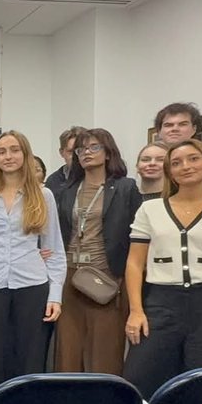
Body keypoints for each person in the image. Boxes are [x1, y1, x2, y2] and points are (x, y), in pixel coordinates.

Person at [124, 140, 202, 397]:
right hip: (161, 301)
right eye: (176, 162)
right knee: (139, 377)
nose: (185, 166)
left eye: (193, 159)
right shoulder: (150, 209)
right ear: (169, 172)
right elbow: (135, 263)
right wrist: (136, 311)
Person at [0, 131, 66, 400]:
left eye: (14, 150)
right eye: (2, 152)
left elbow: (54, 249)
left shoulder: (43, 196)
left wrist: (55, 295)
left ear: (25, 154)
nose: (8, 156)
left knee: (30, 359)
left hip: (32, 286)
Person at [54, 128, 141, 375]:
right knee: (68, 353)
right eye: (81, 149)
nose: (86, 153)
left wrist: (124, 277)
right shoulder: (67, 191)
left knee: (105, 353)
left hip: (106, 276)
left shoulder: (125, 188)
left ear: (107, 153)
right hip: (70, 276)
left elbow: (136, 238)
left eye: (94, 147)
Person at [45, 127, 85, 196]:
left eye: (80, 150)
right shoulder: (53, 181)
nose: (76, 155)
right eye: (71, 151)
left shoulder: (102, 178)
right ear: (61, 153)